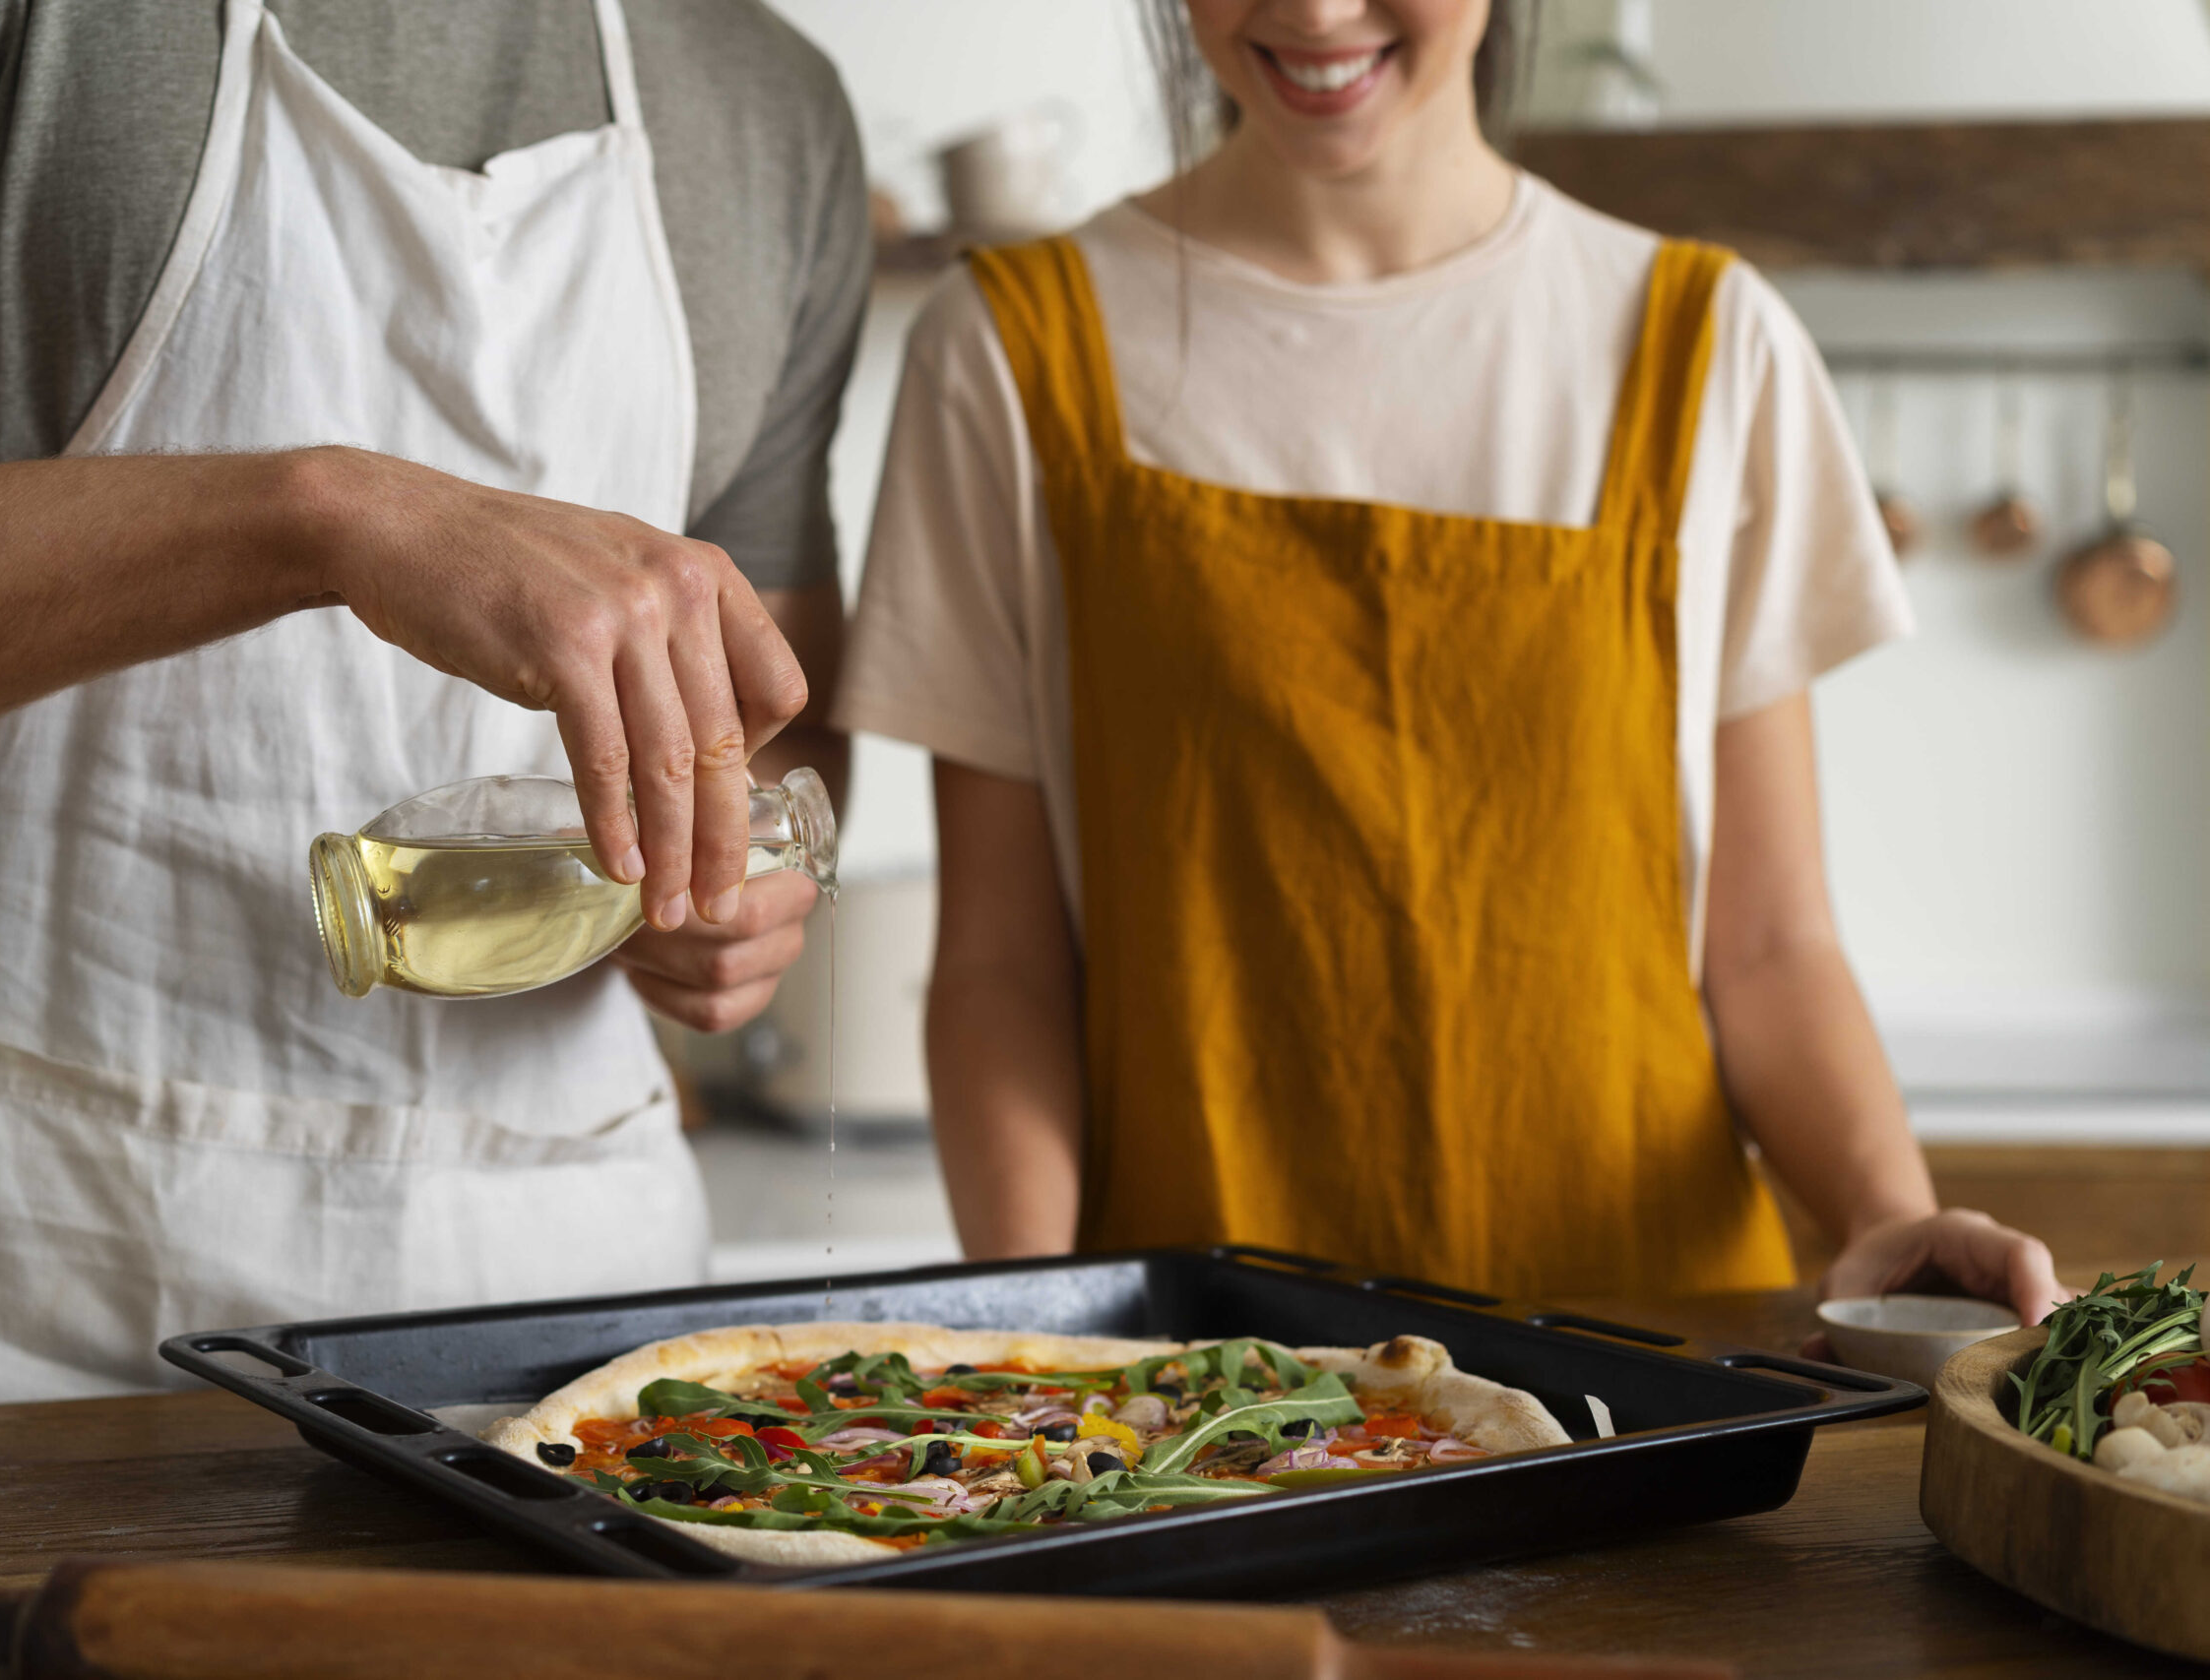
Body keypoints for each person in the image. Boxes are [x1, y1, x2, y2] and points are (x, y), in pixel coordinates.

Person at [0, 0, 866, 1418]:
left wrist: (737, 899)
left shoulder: (768, 101)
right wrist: (324, 516)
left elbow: (772, 711)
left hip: (537, 1335)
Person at [837, 0, 2066, 1322]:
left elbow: (1766, 946)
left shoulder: (1708, 346)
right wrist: (1032, 1341)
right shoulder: (1007, 352)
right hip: (1205, 1404)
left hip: (1652, 1372)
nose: (1313, 12)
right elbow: (1002, 967)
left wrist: (1889, 1214)